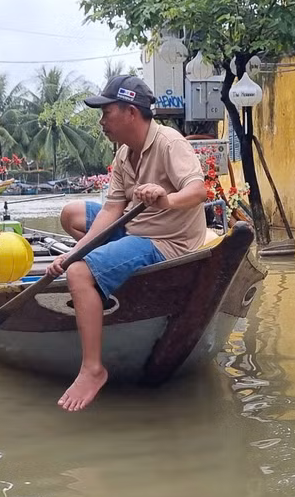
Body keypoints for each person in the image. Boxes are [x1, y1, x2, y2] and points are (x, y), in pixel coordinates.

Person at [47, 74, 209, 411]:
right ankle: (103, 275)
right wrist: (76, 252)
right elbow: (111, 210)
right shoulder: (123, 154)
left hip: (165, 241)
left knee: (78, 274)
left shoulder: (169, 142)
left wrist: (166, 199)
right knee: (71, 216)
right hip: (134, 228)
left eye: (107, 113)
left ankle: (93, 369)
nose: (101, 121)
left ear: (131, 113)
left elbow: (198, 192)